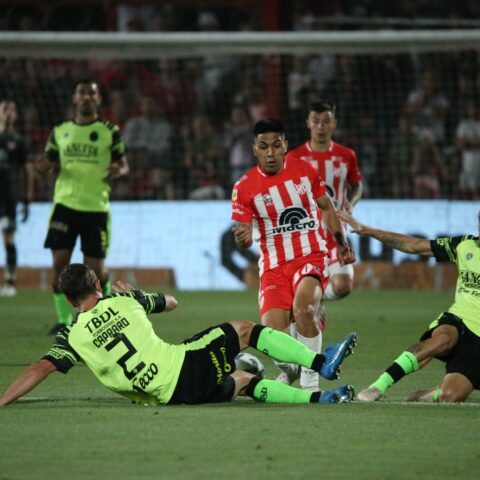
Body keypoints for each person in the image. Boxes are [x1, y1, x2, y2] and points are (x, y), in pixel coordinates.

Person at [0, 263, 355, 406]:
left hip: (169, 397)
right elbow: (172, 302)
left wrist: (3, 400)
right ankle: (320, 363)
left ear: (68, 301)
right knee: (244, 329)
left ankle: (318, 400)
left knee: (243, 380)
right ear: (98, 284)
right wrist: (137, 295)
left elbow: (40, 368)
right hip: (183, 369)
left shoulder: (72, 336)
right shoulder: (123, 300)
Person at [231, 118, 357, 391]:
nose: (271, 152)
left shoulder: (304, 170)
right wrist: (242, 240)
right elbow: (244, 237)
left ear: (285, 145)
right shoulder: (243, 187)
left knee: (303, 311)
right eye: (263, 146)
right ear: (254, 149)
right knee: (275, 340)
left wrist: (341, 242)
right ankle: (291, 369)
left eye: (276, 145)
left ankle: (311, 386)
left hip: (309, 255)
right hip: (274, 266)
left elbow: (327, 207)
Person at [338, 210, 480, 403]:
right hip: (459, 320)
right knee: (442, 339)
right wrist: (368, 230)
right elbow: (414, 245)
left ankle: (428, 394)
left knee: (450, 396)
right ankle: (378, 386)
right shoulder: (464, 245)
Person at [36, 80, 129, 334]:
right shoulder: (60, 131)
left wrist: (118, 170)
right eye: (82, 93)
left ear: (98, 99)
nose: (87, 97)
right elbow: (45, 162)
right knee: (59, 265)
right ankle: (64, 321)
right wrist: (42, 167)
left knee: (96, 272)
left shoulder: (110, 131)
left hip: (96, 207)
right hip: (64, 205)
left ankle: (104, 315)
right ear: (75, 98)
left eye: (92, 93)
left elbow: (124, 164)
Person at [286, 101, 363, 332]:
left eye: (326, 121)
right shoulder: (294, 158)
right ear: (308, 123)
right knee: (298, 302)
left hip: (336, 233)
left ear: (334, 124)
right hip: (305, 237)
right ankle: (310, 305)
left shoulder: (346, 155)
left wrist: (351, 203)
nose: (321, 126)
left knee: (343, 287)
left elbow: (357, 184)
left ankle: (317, 299)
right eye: (316, 121)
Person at [0, 99, 34, 296]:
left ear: (16, 115)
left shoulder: (19, 141)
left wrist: (27, 198)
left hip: (8, 197)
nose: (8, 112)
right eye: (4, 108)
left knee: (8, 237)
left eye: (12, 109)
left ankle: (10, 281)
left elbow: (28, 170)